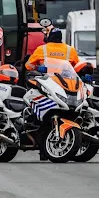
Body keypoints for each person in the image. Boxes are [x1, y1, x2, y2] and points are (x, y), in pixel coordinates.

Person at [25, 27, 79, 161]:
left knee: (39, 110)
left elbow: (28, 66)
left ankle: (29, 124)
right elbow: (76, 67)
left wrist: (38, 68)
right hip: (65, 85)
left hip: (46, 83)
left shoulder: (42, 49)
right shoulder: (69, 50)